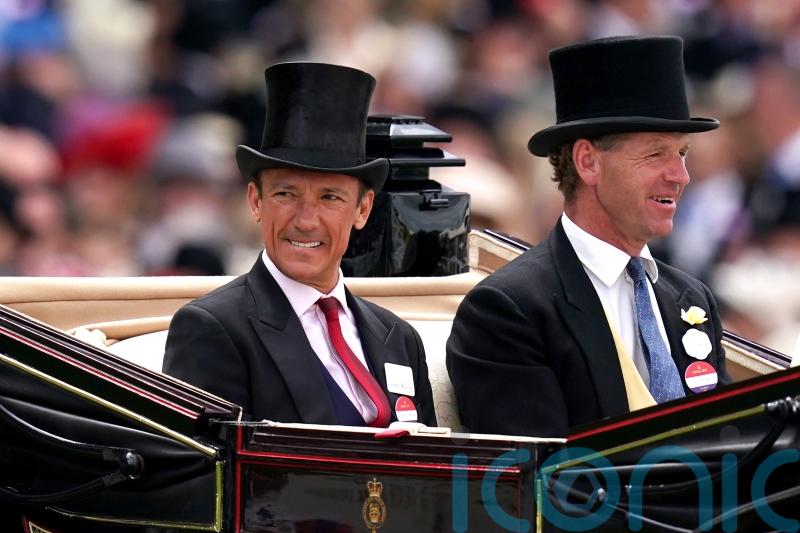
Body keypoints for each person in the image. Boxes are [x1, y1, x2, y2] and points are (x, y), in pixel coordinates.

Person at [446, 35, 731, 438]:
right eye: (655, 154)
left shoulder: (690, 297)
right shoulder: (508, 309)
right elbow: (536, 484)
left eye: (681, 153)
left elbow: (732, 445)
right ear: (587, 162)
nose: (680, 176)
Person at [163, 62, 436, 427]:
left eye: (330, 198)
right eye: (285, 193)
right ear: (256, 201)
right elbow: (205, 476)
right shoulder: (213, 329)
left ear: (363, 209)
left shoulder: (399, 337)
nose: (306, 221)